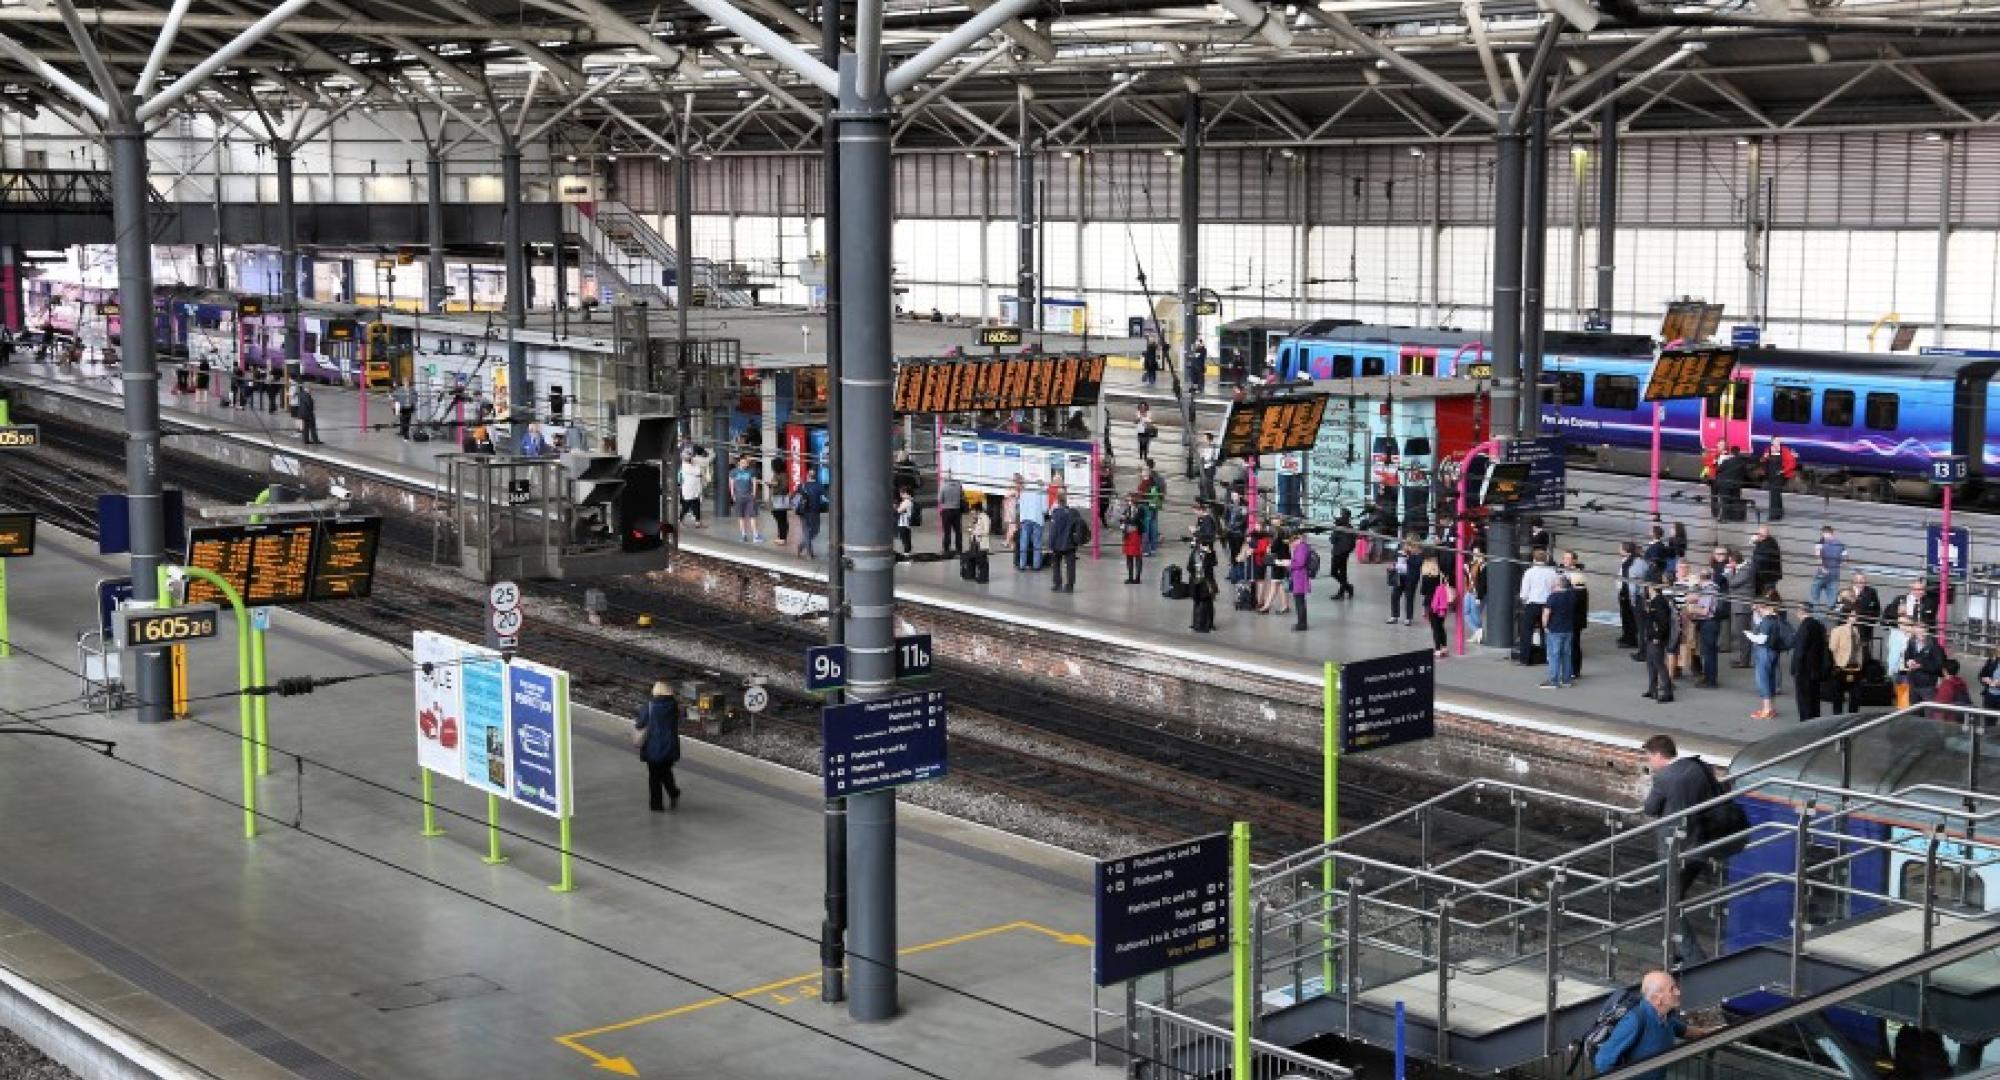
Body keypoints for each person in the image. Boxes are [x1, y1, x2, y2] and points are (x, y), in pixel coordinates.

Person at [1641, 735, 1721, 962]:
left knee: (1669, 902)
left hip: (1674, 850)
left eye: (1649, 756)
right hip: (1701, 844)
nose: (1649, 762)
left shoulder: (1664, 777)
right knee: (1674, 898)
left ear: (1658, 755)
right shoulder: (1696, 768)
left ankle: (1693, 957)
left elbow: (1650, 808)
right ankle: (1675, 949)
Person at [1594, 971, 1712, 1080]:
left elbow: (1685, 1030)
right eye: (1672, 989)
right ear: (1656, 999)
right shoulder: (1635, 1020)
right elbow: (1603, 1062)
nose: (1678, 992)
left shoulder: (1666, 1017)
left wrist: (1714, 1033)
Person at [633, 681, 682, 811]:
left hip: (652, 747)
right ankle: (673, 792)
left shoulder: (649, 707)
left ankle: (657, 805)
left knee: (654, 776)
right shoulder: (674, 707)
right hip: (670, 746)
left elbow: (639, 724)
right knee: (666, 771)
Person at [1518, 548, 1562, 667]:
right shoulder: (1552, 572)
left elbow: (1524, 592)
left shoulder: (1529, 572)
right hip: (1547, 604)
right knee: (1546, 631)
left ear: (1534, 559)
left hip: (1532, 604)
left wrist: (1524, 599)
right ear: (1546, 559)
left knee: (1527, 632)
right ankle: (1547, 657)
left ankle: (1524, 659)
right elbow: (1556, 588)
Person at [1746, 599, 1785, 720]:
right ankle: (1772, 708)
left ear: (1764, 608)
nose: (1757, 611)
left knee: (1763, 680)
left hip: (1764, 651)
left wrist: (1749, 635)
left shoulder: (1767, 621)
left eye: (1758, 609)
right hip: (1774, 651)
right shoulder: (1777, 619)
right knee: (1771, 679)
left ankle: (1766, 709)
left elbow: (1761, 639)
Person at [1792, 609, 1834, 720]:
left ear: (1800, 613)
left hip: (1804, 669)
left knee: (1804, 700)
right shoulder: (1819, 625)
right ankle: (1815, 721)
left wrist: (1795, 668)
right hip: (1816, 668)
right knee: (1814, 699)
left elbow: (1800, 650)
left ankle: (1806, 722)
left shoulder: (1804, 627)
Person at [1640, 584, 1676, 702]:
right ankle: (1652, 689)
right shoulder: (1653, 601)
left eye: (1648, 588)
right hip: (1651, 637)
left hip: (1656, 638)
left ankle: (1668, 691)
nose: (1646, 590)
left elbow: (1662, 622)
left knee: (1659, 664)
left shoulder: (1659, 602)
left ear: (1652, 588)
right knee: (1650, 663)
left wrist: (1658, 636)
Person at [1542, 573, 1578, 688]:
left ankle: (1554, 680)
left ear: (1557, 585)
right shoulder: (1572, 596)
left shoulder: (1553, 597)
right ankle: (1566, 679)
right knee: (1566, 655)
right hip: (1568, 629)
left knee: (1554, 655)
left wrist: (1545, 626)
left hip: (1555, 629)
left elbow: (1546, 614)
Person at [1690, 569, 1726, 689]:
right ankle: (1708, 677)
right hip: (1711, 622)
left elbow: (1705, 610)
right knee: (1708, 652)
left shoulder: (1708, 589)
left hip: (1709, 623)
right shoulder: (1713, 588)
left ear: (1701, 578)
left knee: (1709, 652)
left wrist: (1692, 609)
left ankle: (1710, 681)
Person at [1046, 494, 1083, 592]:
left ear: (1058, 502)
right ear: (1066, 501)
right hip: (1070, 543)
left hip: (1057, 544)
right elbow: (1079, 527)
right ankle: (1070, 586)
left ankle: (1057, 584)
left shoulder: (1056, 513)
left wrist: (1050, 544)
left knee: (1056, 564)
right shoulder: (1074, 513)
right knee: (1071, 566)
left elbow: (1053, 531)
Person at [1902, 622, 1946, 703]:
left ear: (1927, 631)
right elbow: (1906, 657)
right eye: (1918, 633)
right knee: (1913, 711)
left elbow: (1939, 666)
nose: (1921, 635)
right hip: (1913, 682)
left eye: (1923, 632)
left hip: (1927, 685)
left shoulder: (1935, 646)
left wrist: (1921, 665)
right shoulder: (1911, 643)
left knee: (1929, 711)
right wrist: (1908, 662)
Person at [727, 454, 764, 544]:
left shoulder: (751, 471)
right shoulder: (733, 472)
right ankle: (744, 535)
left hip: (749, 497)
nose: (744, 464)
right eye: (743, 462)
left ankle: (755, 535)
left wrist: (754, 494)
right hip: (739, 497)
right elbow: (731, 484)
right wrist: (733, 495)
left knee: (752, 516)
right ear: (739, 462)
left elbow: (754, 483)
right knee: (741, 517)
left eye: (746, 462)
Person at [1812, 526, 1846, 616]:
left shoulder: (1820, 543)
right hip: (1834, 574)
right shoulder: (1841, 544)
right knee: (1832, 597)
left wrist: (1822, 567)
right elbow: (1844, 559)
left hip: (1822, 573)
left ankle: (1817, 615)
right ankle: (1832, 612)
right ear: (1833, 533)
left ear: (1823, 533)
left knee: (1815, 594)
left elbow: (1818, 556)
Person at [1420, 553, 1450, 656]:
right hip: (1441, 604)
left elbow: (1423, 591)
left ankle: (1437, 649)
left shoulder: (1425, 577)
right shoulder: (1440, 576)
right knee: (1441, 625)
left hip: (1431, 604)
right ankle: (1444, 647)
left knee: (1435, 627)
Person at [1016, 477, 1048, 570]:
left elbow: (1019, 507)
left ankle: (1022, 565)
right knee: (1037, 544)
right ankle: (1036, 566)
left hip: (1025, 519)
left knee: (1024, 543)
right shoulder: (1042, 491)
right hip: (1037, 519)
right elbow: (1044, 509)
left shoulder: (1023, 492)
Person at [1617, 541, 1644, 649]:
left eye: (1621, 548)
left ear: (1626, 551)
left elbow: (1633, 581)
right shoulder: (1628, 561)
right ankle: (1626, 635)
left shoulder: (1634, 563)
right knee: (1625, 616)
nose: (1619, 550)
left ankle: (1631, 639)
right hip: (1625, 593)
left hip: (1629, 594)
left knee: (1629, 618)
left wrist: (1632, 597)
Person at [1387, 540, 1420, 626]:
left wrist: (1409, 557)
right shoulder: (1399, 549)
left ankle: (1408, 618)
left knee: (1409, 597)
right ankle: (1394, 616)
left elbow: (1417, 564)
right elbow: (1394, 558)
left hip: (1410, 578)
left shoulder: (1417, 553)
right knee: (1394, 596)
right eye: (1405, 544)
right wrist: (1392, 566)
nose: (1406, 546)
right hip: (1399, 576)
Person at [1763, 437, 1796, 521]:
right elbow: (1763, 460)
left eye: (1779, 441)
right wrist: (1764, 457)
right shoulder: (1768, 449)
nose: (1777, 442)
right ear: (1772, 441)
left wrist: (1783, 471)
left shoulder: (1784, 450)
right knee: (1776, 494)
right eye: (1776, 441)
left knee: (1774, 494)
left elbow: (1792, 463)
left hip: (1779, 475)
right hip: (1771, 475)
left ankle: (1773, 515)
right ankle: (1779, 514)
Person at [1117, 492, 1146, 584]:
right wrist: (1123, 519)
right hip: (1128, 534)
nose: (1128, 501)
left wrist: (1124, 518)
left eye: (1129, 499)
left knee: (1137, 555)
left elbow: (1134, 520)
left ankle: (1137, 578)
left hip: (1136, 534)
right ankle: (1130, 577)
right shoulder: (1128, 508)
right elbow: (1122, 518)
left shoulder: (1140, 509)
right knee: (1128, 556)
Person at [795, 474, 826, 559]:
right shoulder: (819, 486)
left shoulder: (802, 485)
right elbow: (824, 499)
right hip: (814, 512)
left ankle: (803, 547)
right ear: (815, 477)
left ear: (808, 476)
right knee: (815, 531)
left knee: (807, 532)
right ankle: (808, 552)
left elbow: (795, 497)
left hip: (803, 511)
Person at [1329, 509, 1356, 600]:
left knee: (1334, 572)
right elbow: (1353, 544)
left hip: (1338, 553)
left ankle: (1347, 588)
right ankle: (1344, 590)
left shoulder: (1340, 526)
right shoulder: (1350, 527)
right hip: (1344, 553)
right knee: (1342, 573)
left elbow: (1332, 540)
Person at [1289, 533, 1314, 632]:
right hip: (1300, 576)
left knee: (1299, 601)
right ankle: (1301, 622)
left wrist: (1289, 564)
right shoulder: (1303, 547)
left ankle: (1302, 624)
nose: (1292, 545)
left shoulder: (1301, 548)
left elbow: (1300, 562)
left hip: (1300, 576)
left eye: (1292, 543)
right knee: (1300, 601)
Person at [1750, 525, 1783, 598]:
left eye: (1758, 534)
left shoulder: (1768, 544)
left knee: (1768, 595)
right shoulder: (1768, 541)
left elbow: (1760, 559)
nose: (1756, 535)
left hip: (1768, 576)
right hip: (1768, 575)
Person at [677, 449, 707, 529]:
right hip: (688, 490)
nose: (689, 458)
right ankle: (679, 521)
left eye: (689, 456)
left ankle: (698, 522)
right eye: (686, 457)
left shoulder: (692, 464)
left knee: (697, 505)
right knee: (686, 507)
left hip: (695, 489)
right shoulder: (685, 466)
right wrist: (697, 464)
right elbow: (698, 472)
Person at [766, 462, 793, 546]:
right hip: (775, 499)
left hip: (780, 499)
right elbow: (775, 485)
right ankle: (781, 536)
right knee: (779, 518)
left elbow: (784, 487)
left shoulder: (783, 475)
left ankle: (782, 538)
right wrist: (770, 485)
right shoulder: (776, 474)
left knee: (781, 519)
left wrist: (775, 484)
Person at [1197, 431, 1220, 503]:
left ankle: (1212, 499)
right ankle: (1203, 497)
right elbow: (1202, 457)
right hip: (1204, 467)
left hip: (1210, 468)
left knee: (1208, 484)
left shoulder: (1212, 447)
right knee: (1201, 483)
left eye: (1204, 438)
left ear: (1208, 439)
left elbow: (1211, 459)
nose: (1202, 439)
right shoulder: (1203, 447)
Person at [893, 488, 915, 556]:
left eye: (902, 493)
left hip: (903, 523)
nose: (901, 495)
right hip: (907, 523)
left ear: (906, 493)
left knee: (905, 540)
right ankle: (908, 553)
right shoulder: (909, 501)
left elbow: (899, 511)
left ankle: (906, 554)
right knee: (907, 539)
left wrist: (895, 508)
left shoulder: (906, 502)